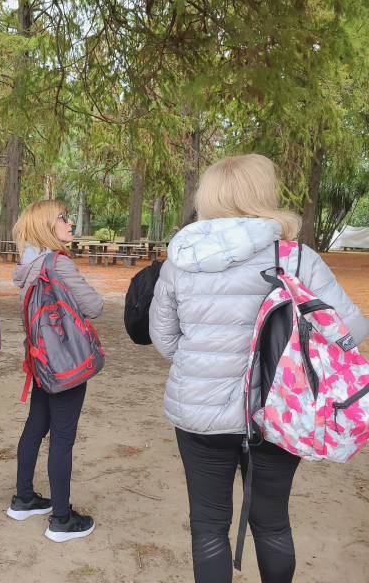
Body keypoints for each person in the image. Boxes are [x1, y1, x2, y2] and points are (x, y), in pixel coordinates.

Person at [149, 154, 369, 583]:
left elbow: (164, 338)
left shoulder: (181, 260)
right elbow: (352, 330)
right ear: (264, 193)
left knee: (208, 526)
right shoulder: (296, 258)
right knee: (272, 522)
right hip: (279, 413)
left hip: (198, 413)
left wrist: (201, 367)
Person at [8, 200, 103, 542]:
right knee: (63, 437)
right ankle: (61, 519)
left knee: (36, 426)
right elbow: (95, 306)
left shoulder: (27, 267)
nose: (70, 223)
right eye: (63, 218)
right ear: (49, 226)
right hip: (66, 362)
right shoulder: (58, 264)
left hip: (41, 361)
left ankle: (23, 498)